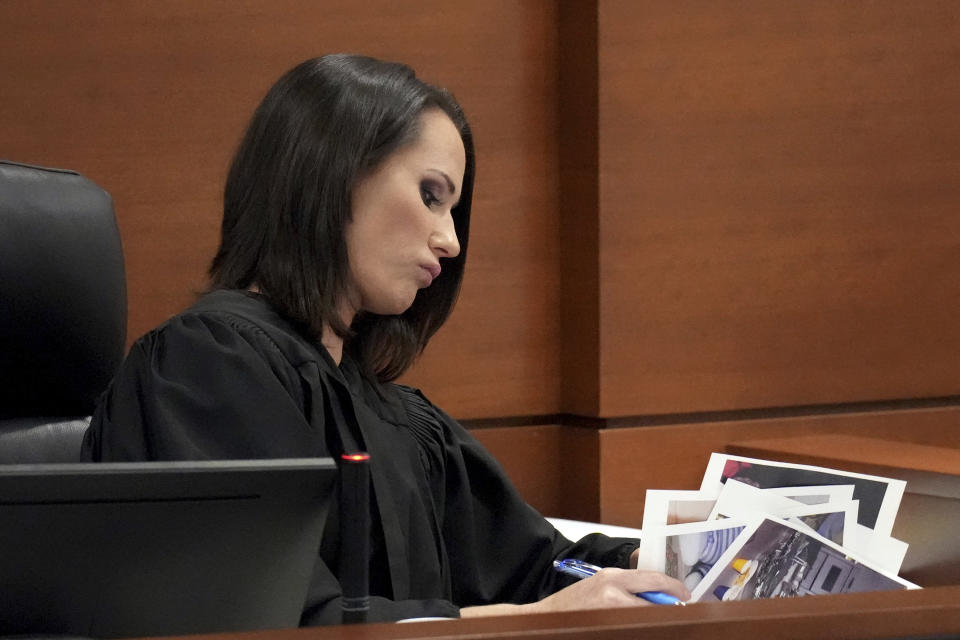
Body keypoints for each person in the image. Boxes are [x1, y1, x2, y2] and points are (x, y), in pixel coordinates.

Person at [81, 54, 689, 624]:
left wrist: (679, 555)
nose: (450, 242)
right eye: (430, 196)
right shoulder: (205, 366)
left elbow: (538, 567)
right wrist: (534, 621)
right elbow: (276, 618)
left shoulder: (393, 412)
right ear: (331, 176)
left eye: (452, 211)